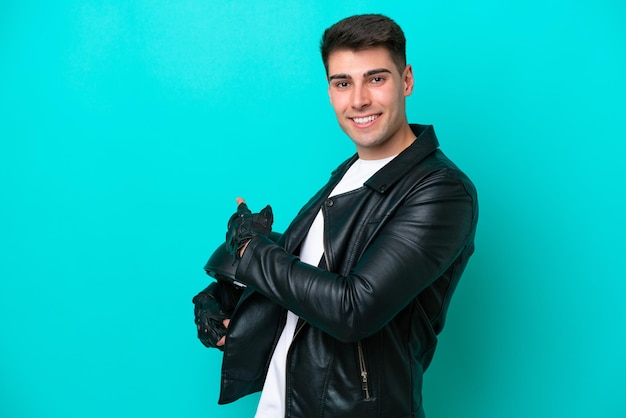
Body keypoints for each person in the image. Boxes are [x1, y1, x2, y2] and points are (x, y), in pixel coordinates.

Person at [193, 13, 478, 418]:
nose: (358, 99)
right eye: (343, 83)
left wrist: (251, 251)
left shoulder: (441, 192)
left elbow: (352, 308)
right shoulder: (347, 175)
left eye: (376, 79)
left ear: (407, 80)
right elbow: (308, 277)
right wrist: (223, 296)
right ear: (330, 91)